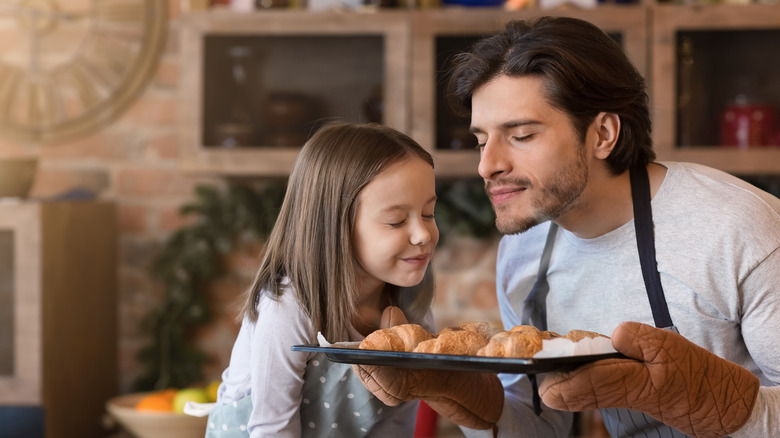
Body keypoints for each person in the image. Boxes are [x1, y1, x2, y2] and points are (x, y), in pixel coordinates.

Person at [357, 16, 780, 437]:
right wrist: (471, 403)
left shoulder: (738, 229)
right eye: (481, 140)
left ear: (603, 134)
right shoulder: (524, 254)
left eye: (521, 135)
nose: (488, 166)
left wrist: (719, 405)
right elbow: (541, 424)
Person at [207, 121, 441, 437]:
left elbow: (397, 424)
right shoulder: (288, 308)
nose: (423, 234)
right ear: (334, 227)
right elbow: (273, 429)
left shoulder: (412, 310)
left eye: (428, 213)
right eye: (396, 221)